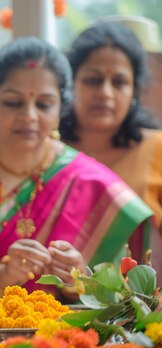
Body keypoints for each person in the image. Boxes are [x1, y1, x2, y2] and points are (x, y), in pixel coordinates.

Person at [0, 37, 158, 316]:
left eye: (45, 104)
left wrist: (78, 280)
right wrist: (0, 278)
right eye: (13, 102)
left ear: (61, 110)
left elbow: (132, 302)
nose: (29, 116)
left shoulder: (87, 179)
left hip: (69, 339)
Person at [60, 21, 162, 234]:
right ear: (70, 84)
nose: (105, 93)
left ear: (134, 91)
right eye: (93, 80)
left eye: (119, 82)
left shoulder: (157, 149)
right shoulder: (50, 152)